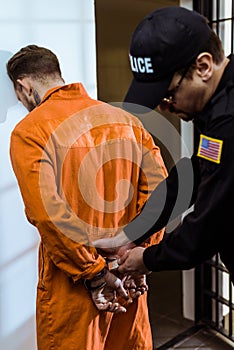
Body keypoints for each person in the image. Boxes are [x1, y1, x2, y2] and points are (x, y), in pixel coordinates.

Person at [7, 45, 167, 350]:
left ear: (23, 86)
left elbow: (48, 214)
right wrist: (140, 253)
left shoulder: (30, 131)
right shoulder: (126, 121)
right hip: (127, 276)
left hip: (74, 286)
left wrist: (94, 274)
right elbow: (160, 193)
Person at [93, 6, 234, 284]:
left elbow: (209, 224)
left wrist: (147, 260)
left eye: (168, 95)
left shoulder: (229, 120)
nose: (164, 107)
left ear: (203, 66)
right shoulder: (219, 102)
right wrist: (131, 233)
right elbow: (196, 171)